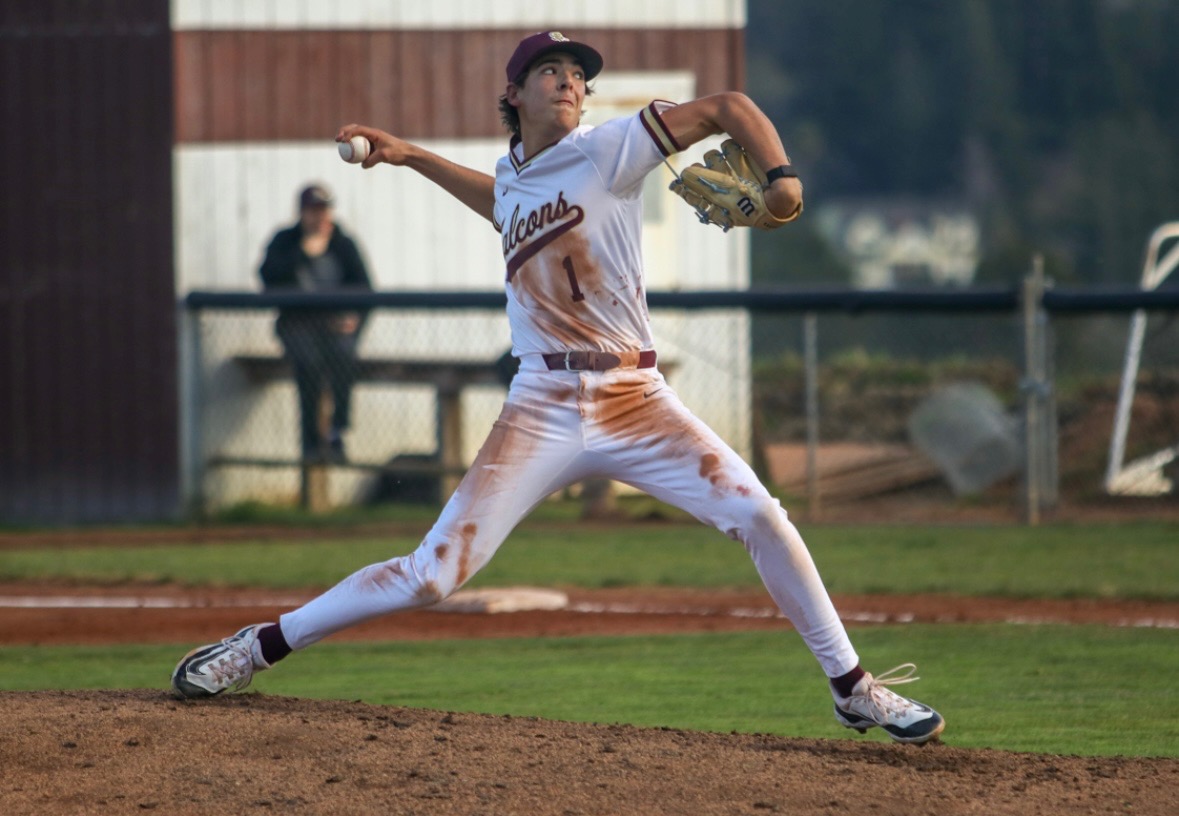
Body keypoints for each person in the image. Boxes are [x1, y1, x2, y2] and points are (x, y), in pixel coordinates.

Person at [173, 31, 945, 745]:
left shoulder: (609, 149)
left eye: (578, 74)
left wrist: (781, 180)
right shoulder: (516, 175)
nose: (570, 82)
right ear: (514, 94)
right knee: (432, 575)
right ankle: (256, 648)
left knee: (760, 515)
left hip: (635, 399)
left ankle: (853, 688)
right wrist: (409, 157)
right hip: (542, 405)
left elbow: (729, 108)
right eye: (551, 71)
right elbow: (500, 201)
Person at [259, 183, 373, 462]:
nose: (319, 217)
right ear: (301, 213)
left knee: (344, 356)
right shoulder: (286, 240)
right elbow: (267, 277)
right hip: (297, 324)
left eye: (324, 210)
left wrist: (353, 320)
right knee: (308, 362)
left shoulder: (343, 243)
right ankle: (311, 441)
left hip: (336, 327)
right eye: (313, 211)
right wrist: (302, 252)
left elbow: (366, 290)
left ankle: (336, 432)